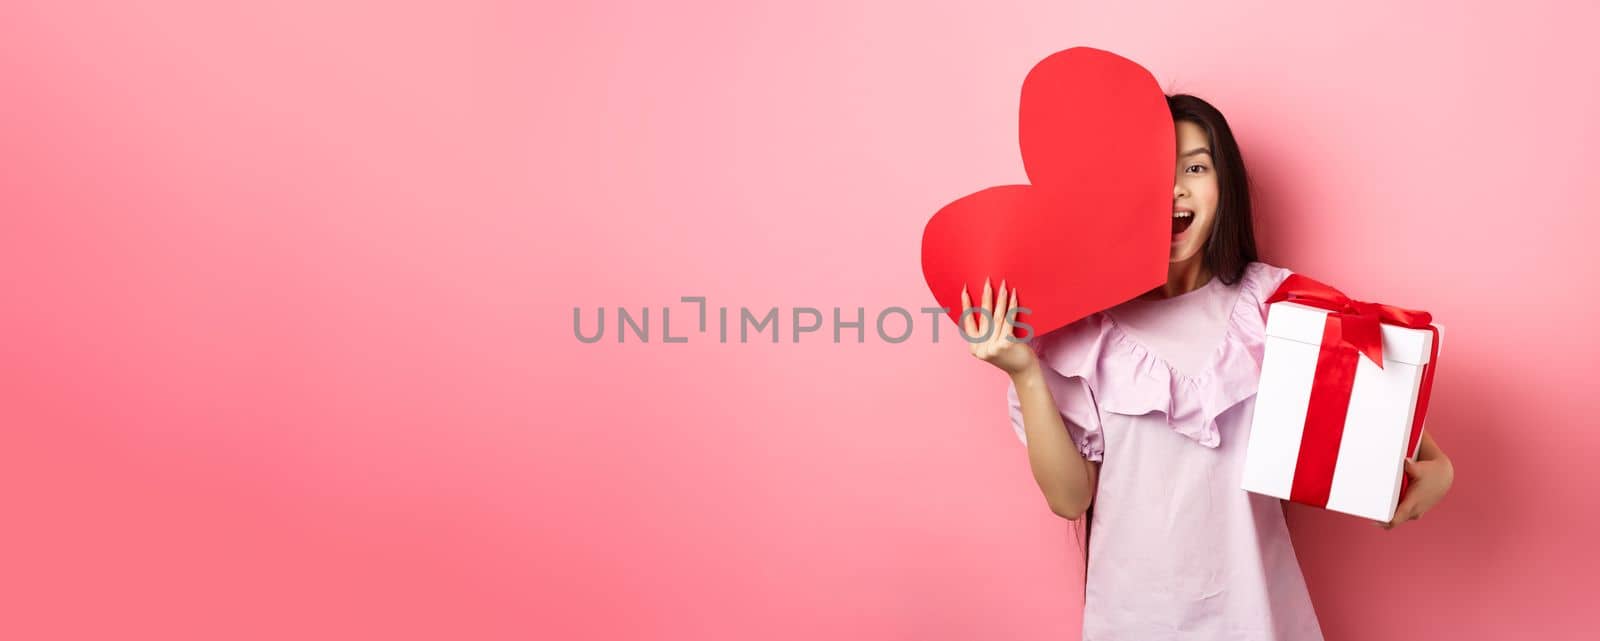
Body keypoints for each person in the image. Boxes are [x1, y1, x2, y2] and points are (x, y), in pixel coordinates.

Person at [959, 94, 1456, 640]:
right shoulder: (1083, 332)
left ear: (1226, 186)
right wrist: (1024, 372)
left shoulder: (1278, 305)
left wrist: (1439, 470)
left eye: (1195, 167)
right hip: (1132, 620)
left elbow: (1389, 428)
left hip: (1259, 614)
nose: (1175, 188)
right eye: (1154, 170)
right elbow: (1069, 499)